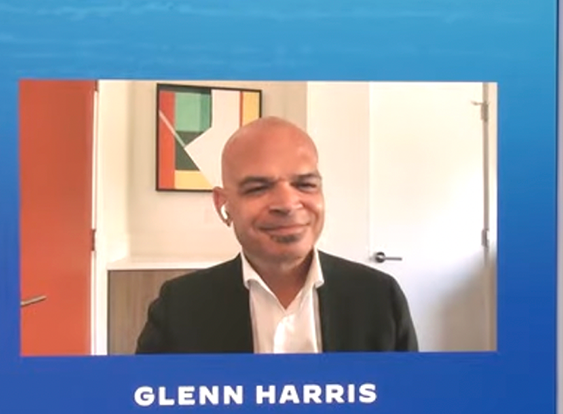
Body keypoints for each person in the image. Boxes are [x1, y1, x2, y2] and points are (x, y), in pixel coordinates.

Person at [135, 116, 418, 354]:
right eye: (258, 188)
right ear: (224, 205)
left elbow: (407, 408)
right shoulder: (179, 307)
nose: (286, 204)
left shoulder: (380, 298)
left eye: (305, 184)